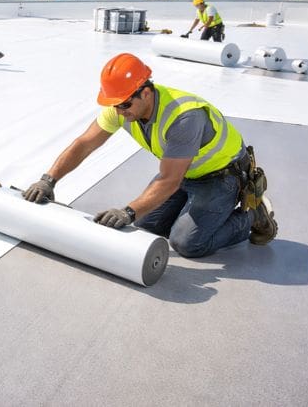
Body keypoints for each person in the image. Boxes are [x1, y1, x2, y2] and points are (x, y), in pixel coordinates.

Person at [22, 52, 277, 258]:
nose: (119, 111)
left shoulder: (184, 116)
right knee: (146, 227)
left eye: (124, 104)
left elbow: (169, 180)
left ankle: (252, 216)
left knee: (187, 243)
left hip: (222, 177)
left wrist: (128, 211)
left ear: (145, 93)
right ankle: (194, 213)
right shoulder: (122, 107)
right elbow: (84, 143)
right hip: (186, 173)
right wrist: (48, 180)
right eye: (114, 104)